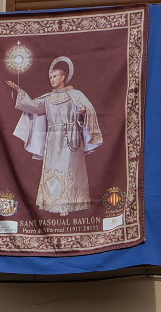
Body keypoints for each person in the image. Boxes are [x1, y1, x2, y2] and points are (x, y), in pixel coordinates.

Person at [6, 56, 102, 214]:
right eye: (50, 77)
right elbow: (32, 107)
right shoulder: (48, 98)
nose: (52, 79)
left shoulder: (75, 95)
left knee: (70, 169)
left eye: (55, 76)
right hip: (53, 140)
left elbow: (87, 111)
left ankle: (70, 205)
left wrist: (82, 113)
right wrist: (19, 91)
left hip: (71, 137)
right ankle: (53, 203)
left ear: (63, 77)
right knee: (53, 169)